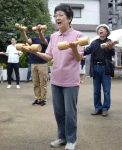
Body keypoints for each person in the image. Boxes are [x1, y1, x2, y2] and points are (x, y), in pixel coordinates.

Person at [29, 4, 84, 150]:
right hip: (56, 79)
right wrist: (34, 52)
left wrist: (73, 48)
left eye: (61, 15)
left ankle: (72, 140)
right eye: (56, 15)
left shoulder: (79, 36)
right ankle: (61, 137)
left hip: (71, 81)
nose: (57, 18)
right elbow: (49, 57)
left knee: (70, 112)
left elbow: (78, 59)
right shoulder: (54, 36)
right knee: (59, 112)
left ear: (69, 18)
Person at [84, 24, 115, 117]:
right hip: (95, 67)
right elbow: (87, 50)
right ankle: (97, 108)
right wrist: (78, 48)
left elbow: (112, 53)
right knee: (96, 90)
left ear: (107, 32)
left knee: (106, 90)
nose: (100, 30)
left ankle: (105, 108)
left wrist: (110, 48)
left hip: (106, 68)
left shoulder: (110, 42)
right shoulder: (94, 42)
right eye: (99, 29)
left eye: (103, 29)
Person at [19, 23, 50, 106]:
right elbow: (27, 41)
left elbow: (44, 41)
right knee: (36, 83)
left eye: (40, 27)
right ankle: (37, 98)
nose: (39, 28)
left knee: (43, 83)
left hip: (42, 63)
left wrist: (40, 32)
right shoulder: (33, 38)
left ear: (44, 29)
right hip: (33, 63)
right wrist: (23, 32)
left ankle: (43, 99)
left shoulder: (47, 38)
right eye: (38, 27)